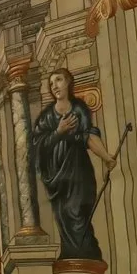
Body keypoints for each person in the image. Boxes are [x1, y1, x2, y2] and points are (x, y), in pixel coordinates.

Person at [32, 68, 114, 261]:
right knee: (64, 218)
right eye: (52, 84)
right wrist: (58, 132)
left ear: (68, 82)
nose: (55, 86)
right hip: (56, 178)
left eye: (59, 80)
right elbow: (37, 146)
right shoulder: (46, 116)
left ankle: (84, 254)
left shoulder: (79, 109)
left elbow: (88, 136)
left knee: (78, 212)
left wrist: (106, 157)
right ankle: (71, 253)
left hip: (78, 171)